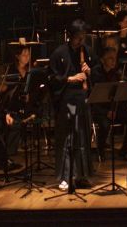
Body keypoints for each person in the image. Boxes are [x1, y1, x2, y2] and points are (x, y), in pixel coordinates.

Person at [50, 20, 93, 190]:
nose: (81, 41)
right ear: (70, 36)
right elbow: (52, 78)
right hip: (66, 99)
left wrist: (89, 71)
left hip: (82, 98)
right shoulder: (59, 53)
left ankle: (81, 176)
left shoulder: (86, 50)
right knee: (68, 137)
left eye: (83, 37)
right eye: (78, 37)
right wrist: (70, 78)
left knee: (83, 137)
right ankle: (66, 177)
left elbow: (97, 68)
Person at [89, 46, 127, 158]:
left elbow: (119, 95)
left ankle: (124, 150)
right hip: (99, 111)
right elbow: (93, 99)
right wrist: (106, 112)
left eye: (115, 58)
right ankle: (100, 151)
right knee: (105, 125)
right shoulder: (95, 73)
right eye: (110, 58)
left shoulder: (117, 73)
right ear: (102, 60)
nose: (114, 61)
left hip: (114, 109)